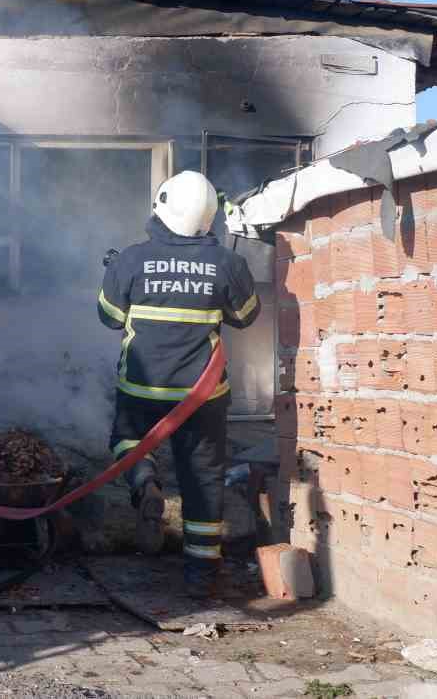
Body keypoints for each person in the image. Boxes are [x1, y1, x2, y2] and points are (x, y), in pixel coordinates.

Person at [97, 170, 260, 598]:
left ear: (161, 207)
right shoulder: (227, 263)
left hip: (142, 388)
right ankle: (201, 573)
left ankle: (144, 483)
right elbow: (246, 316)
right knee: (203, 477)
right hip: (201, 396)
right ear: (210, 217)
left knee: (127, 441)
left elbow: (109, 317)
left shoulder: (130, 260)